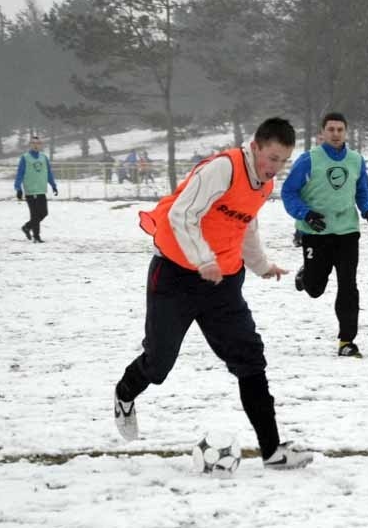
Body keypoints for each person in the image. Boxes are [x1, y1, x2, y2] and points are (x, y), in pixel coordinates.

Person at [113, 117, 313, 470]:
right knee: (159, 363)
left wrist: (261, 265)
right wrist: (202, 259)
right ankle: (125, 393)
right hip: (174, 275)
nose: (275, 168)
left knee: (250, 360)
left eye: (283, 161)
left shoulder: (263, 185)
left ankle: (272, 451)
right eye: (271, 158)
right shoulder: (223, 169)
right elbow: (181, 214)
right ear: (255, 148)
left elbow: (246, 225)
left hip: (223, 283)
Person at [281, 112, 368, 358]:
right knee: (315, 289)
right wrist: (306, 214)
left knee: (348, 285)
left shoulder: (356, 160)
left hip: (347, 232)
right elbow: (289, 192)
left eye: (340, 130)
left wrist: (367, 211)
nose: (335, 134)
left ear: (346, 132)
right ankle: (306, 274)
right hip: (316, 232)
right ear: (321, 133)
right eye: (331, 130)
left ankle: (346, 341)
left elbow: (362, 190)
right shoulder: (308, 160)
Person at [14, 135, 58, 243]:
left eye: (38, 143)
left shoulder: (44, 157)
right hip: (30, 190)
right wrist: (18, 188)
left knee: (43, 213)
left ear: (40, 145)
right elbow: (20, 174)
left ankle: (27, 227)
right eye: (33, 143)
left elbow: (49, 173)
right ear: (30, 145)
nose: (36, 145)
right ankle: (36, 237)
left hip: (41, 190)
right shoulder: (25, 158)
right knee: (34, 214)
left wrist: (53, 185)